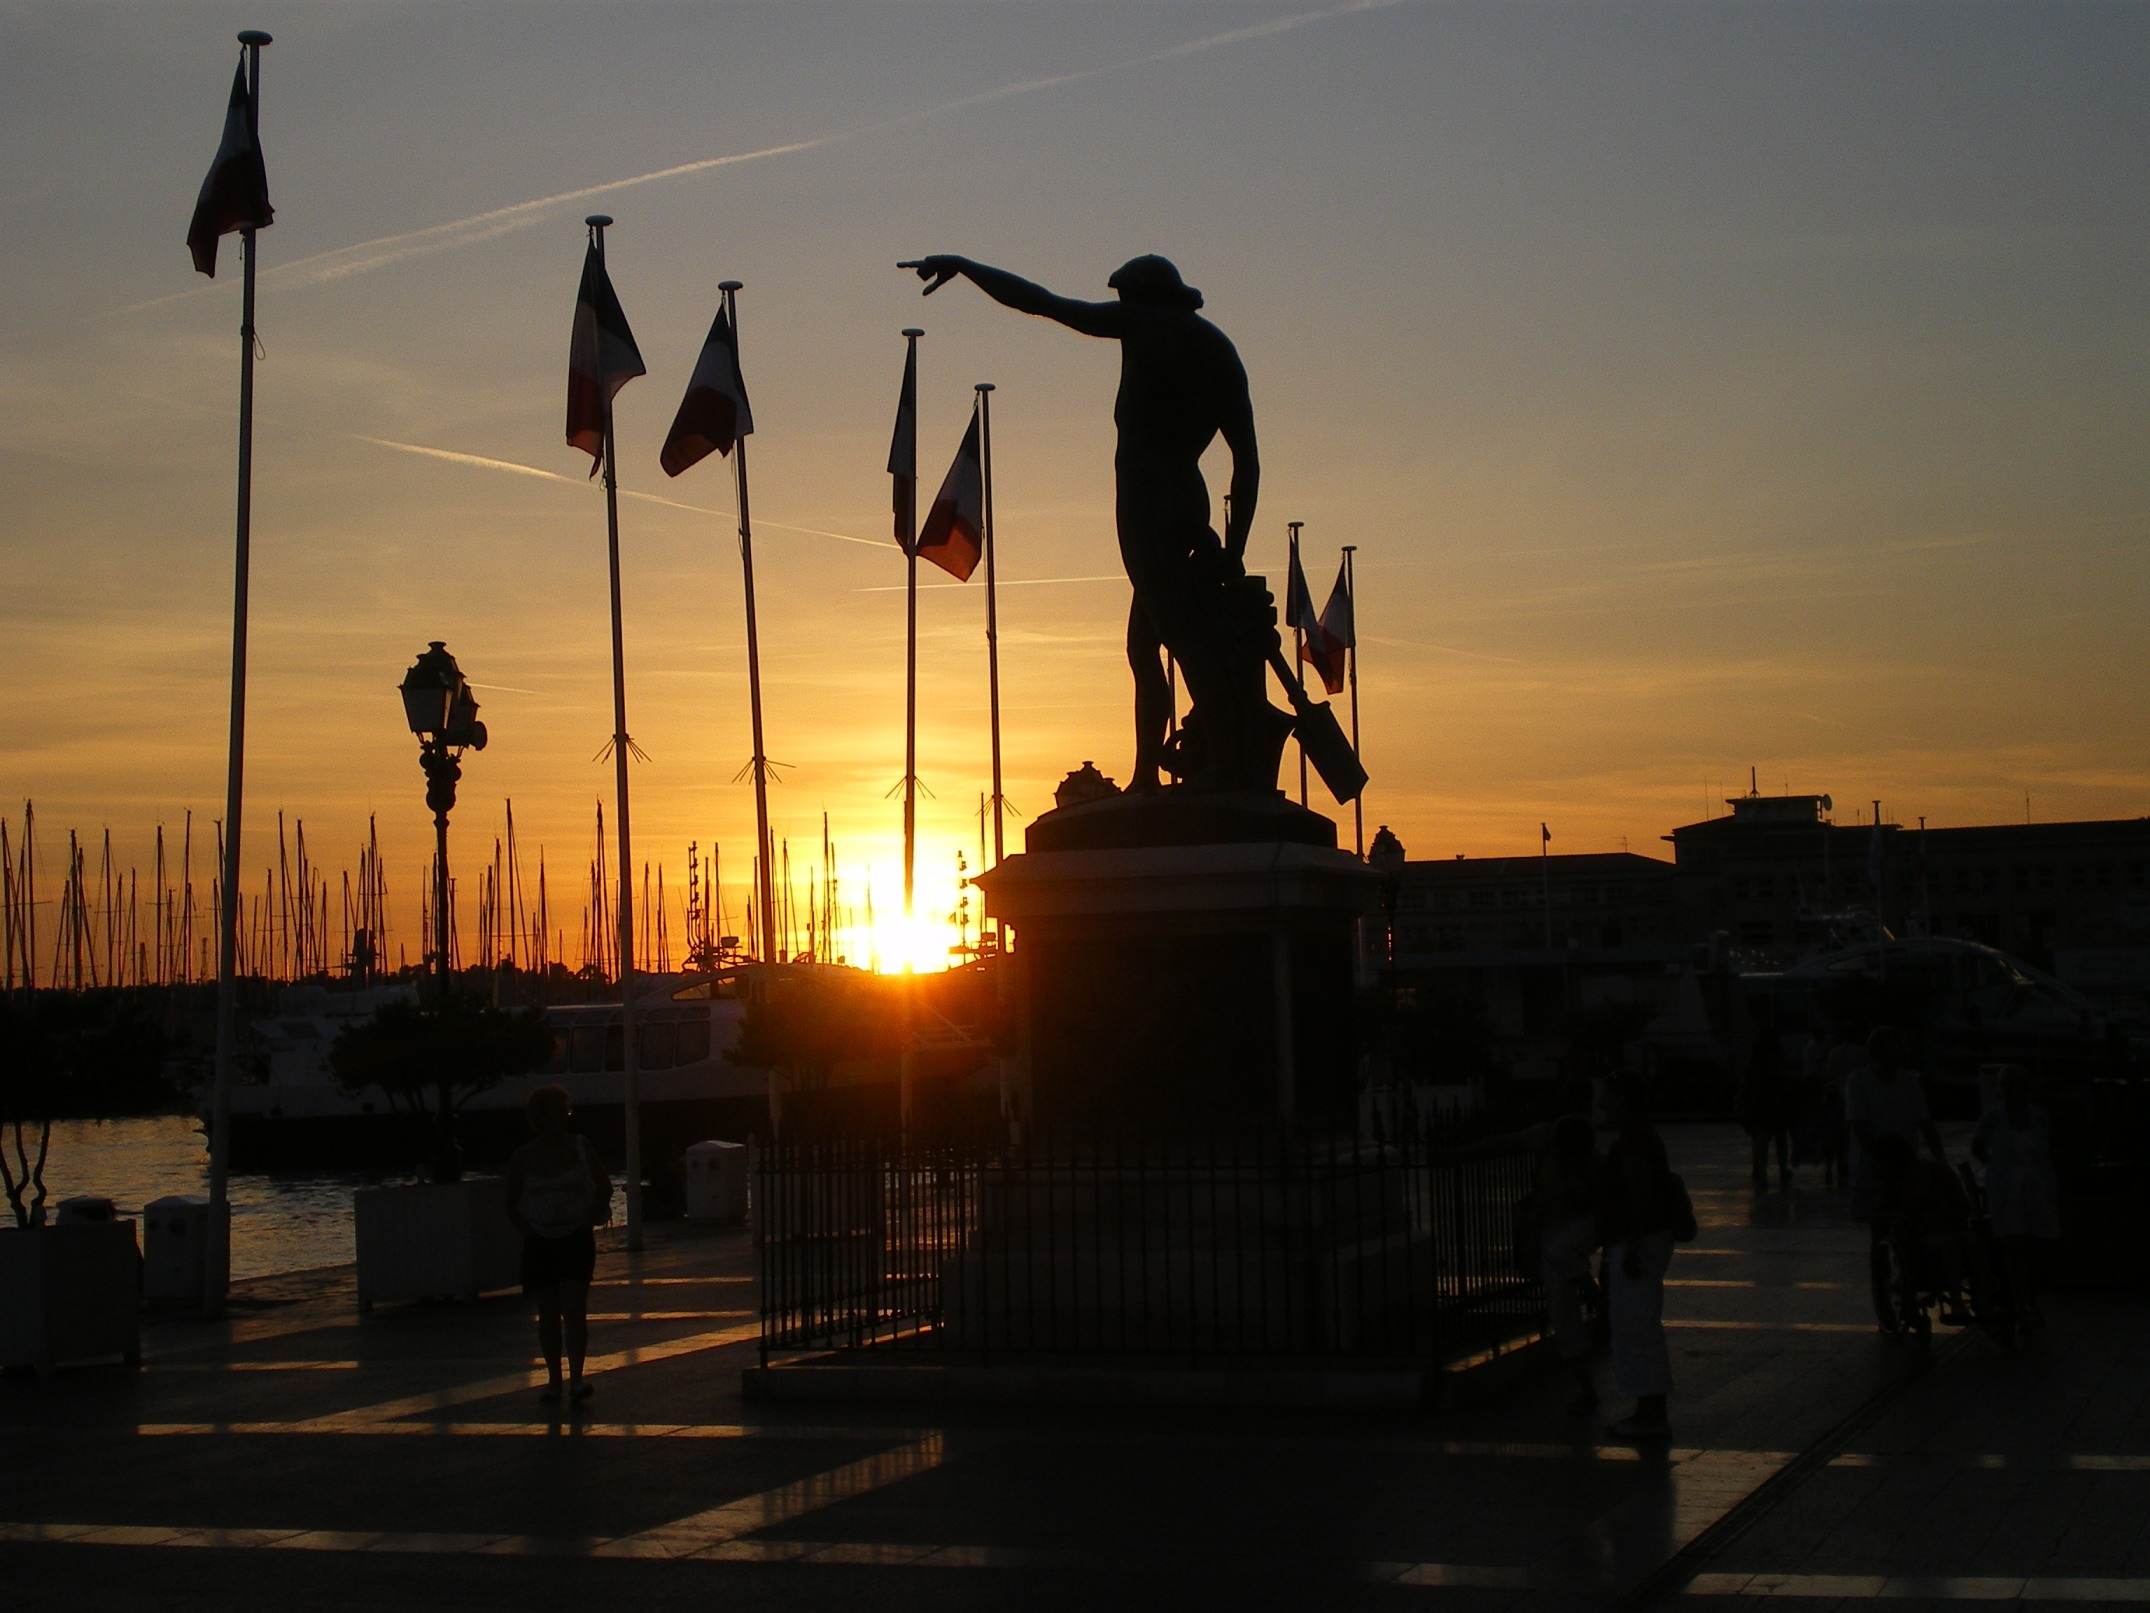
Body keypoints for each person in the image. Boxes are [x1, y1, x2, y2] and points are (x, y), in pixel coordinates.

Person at [901, 252, 1288, 793]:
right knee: (1144, 645)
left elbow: (1043, 304)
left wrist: (968, 268)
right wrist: (1234, 546)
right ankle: (1149, 774)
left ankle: (1223, 761)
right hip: (1186, 499)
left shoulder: (1143, 323)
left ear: (1140, 296)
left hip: (1148, 502)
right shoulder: (1219, 349)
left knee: (1180, 637)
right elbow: (1246, 462)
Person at [1464, 1101, 1603, 1415]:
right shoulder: (1546, 1140)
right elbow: (1504, 1143)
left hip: (1577, 1227)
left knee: (1560, 1266)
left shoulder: (1593, 1164)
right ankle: (1586, 1385)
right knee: (1562, 1310)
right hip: (1553, 1228)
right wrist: (1463, 1154)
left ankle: (1591, 1291)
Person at [505, 1084, 613, 1404]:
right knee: (548, 1311)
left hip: (575, 1237)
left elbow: (604, 1187)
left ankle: (577, 1377)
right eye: (557, 1111)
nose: (564, 1117)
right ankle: (554, 1379)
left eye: (566, 1110)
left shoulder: (580, 1147)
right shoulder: (523, 1156)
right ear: (540, 1116)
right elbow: (510, 1204)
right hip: (540, 1241)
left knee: (574, 1306)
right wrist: (529, 1232)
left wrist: (589, 1219)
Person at [1595, 1071, 1678, 1440]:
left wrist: (1630, 1245)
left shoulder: (1633, 1141)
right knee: (1640, 1325)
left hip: (1640, 1240)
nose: (1602, 1105)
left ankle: (1650, 1413)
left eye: (1608, 1098)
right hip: (1649, 1237)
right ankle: (1648, 1410)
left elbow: (1640, 1194)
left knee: (1637, 1328)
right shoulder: (1642, 1135)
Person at [1846, 1026, 1947, 1328]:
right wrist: (1881, 1158)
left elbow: (1924, 1122)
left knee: (1910, 1231)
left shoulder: (1909, 1081)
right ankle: (1885, 1300)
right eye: (1897, 1048)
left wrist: (1939, 1159)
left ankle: (1909, 1295)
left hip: (1907, 1167)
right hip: (1875, 1169)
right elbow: (1859, 1126)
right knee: (1880, 1234)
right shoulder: (1858, 1082)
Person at [1972, 1066, 2060, 1329]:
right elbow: (1978, 1147)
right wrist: (1999, 1169)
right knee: (2016, 1246)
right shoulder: (1993, 1118)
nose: (2013, 1091)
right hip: (2007, 1189)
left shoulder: (2040, 1116)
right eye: (2008, 1086)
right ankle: (2023, 1304)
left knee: (2036, 1248)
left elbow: (2052, 1146)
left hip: (2038, 1188)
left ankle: (2030, 1300)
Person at [1738, 1026, 1796, 1189]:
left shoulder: (1755, 1060)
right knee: (1781, 1142)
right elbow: (1785, 1081)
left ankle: (1762, 1174)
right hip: (1777, 1106)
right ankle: (1783, 1170)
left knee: (1760, 1143)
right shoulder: (1778, 1058)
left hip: (1760, 1107)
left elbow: (1748, 1084)